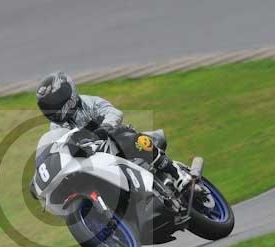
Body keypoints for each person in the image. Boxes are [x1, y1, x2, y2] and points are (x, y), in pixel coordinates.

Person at [36, 71, 192, 193]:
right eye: (49, 107)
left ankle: (176, 173)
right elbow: (59, 147)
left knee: (127, 137)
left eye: (56, 102)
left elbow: (113, 112)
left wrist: (105, 128)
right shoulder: (56, 128)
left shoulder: (88, 102)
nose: (54, 110)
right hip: (93, 158)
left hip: (115, 142)